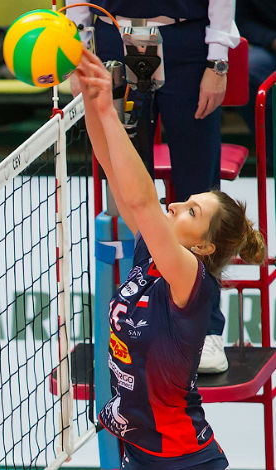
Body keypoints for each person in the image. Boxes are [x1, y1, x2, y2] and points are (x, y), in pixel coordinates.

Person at [76, 48, 265, 469]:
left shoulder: (191, 280)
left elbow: (144, 203)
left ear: (204, 247)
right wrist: (91, 97)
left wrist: (108, 110)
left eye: (192, 212)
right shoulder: (151, 252)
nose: (176, 205)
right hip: (141, 455)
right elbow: (109, 164)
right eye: (186, 201)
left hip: (184, 461)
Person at [66, 0, 240, 373]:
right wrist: (75, 45)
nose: (171, 208)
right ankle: (136, 324)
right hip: (111, 35)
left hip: (186, 40)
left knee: (198, 195)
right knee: (124, 195)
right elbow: (127, 188)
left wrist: (218, 61)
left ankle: (206, 330)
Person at [236, 0, 275, 172]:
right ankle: (273, 153)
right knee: (246, 71)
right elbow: (243, 22)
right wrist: (271, 40)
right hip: (268, 46)